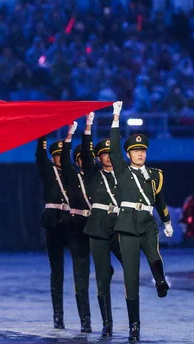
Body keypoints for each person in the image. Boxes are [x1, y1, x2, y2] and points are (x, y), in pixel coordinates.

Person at [110, 101, 172, 342]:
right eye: (135, 151)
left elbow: (160, 200)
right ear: (128, 154)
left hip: (147, 221)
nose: (140, 153)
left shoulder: (156, 174)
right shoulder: (123, 171)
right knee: (131, 278)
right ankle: (134, 325)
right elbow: (113, 148)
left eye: (143, 150)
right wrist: (116, 116)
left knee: (154, 253)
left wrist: (167, 221)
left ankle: (160, 281)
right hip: (126, 224)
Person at [80, 112, 123, 336]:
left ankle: (135, 321)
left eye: (110, 153)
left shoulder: (125, 175)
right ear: (98, 158)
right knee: (102, 277)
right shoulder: (93, 174)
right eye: (103, 154)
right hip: (98, 227)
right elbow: (85, 155)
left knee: (132, 267)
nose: (107, 157)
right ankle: (107, 322)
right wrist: (88, 126)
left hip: (121, 226)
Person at [35, 132, 77, 330]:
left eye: (63, 155)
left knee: (81, 269)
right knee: (57, 271)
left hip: (73, 222)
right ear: (53, 158)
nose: (61, 159)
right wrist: (42, 132)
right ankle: (58, 316)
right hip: (53, 223)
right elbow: (39, 156)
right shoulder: (48, 171)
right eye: (57, 156)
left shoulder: (75, 173)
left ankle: (84, 317)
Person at [59, 121, 91, 333]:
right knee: (81, 277)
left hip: (97, 226)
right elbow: (63, 157)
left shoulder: (97, 176)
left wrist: (89, 128)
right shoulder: (71, 176)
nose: (84, 161)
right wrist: (70, 134)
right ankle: (85, 320)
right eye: (80, 158)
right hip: (77, 227)